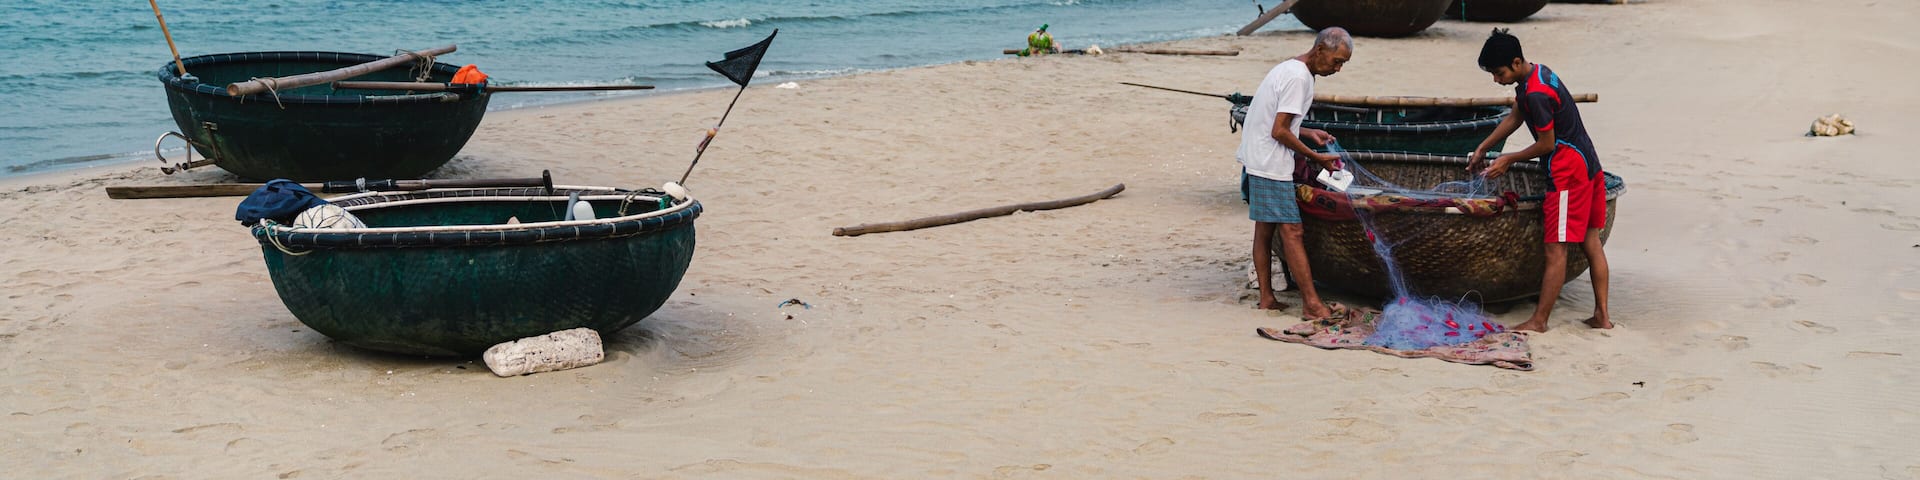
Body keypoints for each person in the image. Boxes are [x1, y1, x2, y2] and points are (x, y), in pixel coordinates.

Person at [1467, 28, 1612, 332]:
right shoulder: (1537, 75)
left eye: (1499, 72)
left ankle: (1539, 321)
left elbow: (1547, 144)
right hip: (1589, 163)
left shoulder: (1536, 92)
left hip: (1568, 172)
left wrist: (1507, 159)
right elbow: (1515, 116)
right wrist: (1484, 147)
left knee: (1555, 249)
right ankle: (1602, 316)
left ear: (1517, 62)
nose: (1496, 79)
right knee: (1590, 239)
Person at [1237, 27, 1352, 319]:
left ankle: (1266, 298)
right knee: (1292, 230)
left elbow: (1277, 122)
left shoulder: (1291, 67)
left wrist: (1309, 132)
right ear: (1319, 51)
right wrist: (1316, 157)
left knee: (1264, 230)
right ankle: (1312, 304)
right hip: (1269, 161)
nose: (1337, 69)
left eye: (1343, 64)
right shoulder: (1299, 78)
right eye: (1336, 61)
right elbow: (1279, 131)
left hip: (1257, 156)